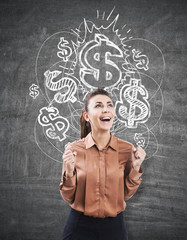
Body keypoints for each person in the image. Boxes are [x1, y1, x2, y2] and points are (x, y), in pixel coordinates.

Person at [59, 88, 146, 240]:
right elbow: (68, 197)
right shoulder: (73, 149)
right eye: (98, 105)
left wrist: (136, 167)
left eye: (109, 105)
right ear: (87, 116)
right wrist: (69, 171)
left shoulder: (126, 150)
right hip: (79, 225)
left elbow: (126, 194)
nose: (106, 109)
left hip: (114, 228)